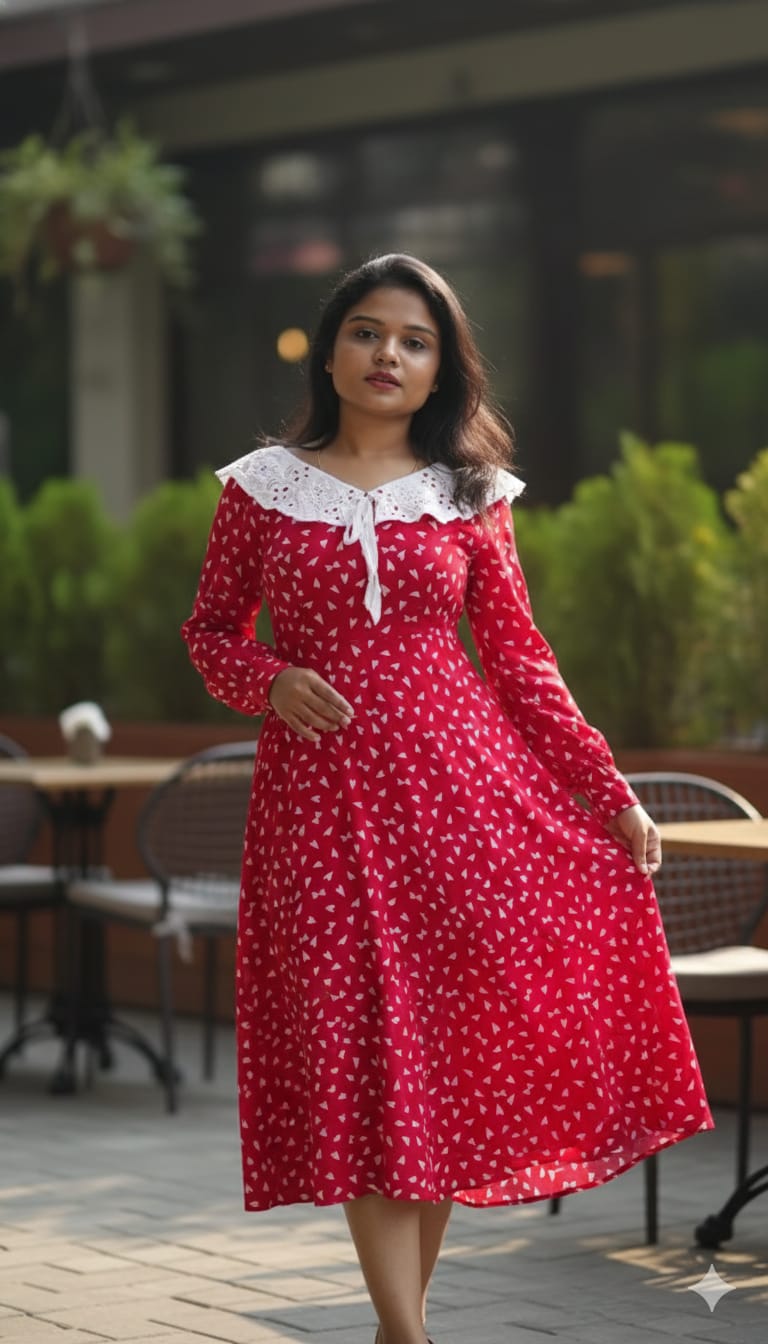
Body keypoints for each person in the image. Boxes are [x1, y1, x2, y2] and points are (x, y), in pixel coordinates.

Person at [181, 254, 713, 1344]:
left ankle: (397, 1328)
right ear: (331, 349)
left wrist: (607, 793)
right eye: (369, 332)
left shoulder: (471, 496)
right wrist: (269, 680)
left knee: (425, 1057)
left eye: (415, 342)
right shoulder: (261, 489)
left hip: (467, 805)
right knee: (365, 1054)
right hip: (320, 812)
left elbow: (520, 662)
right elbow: (207, 632)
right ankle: (409, 1333)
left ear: (440, 373)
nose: (390, 355)